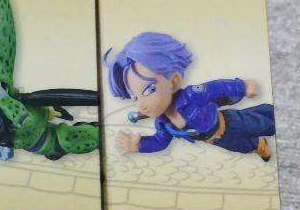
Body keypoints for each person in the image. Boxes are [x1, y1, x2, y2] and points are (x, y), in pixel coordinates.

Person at [103, 31, 274, 160]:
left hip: (229, 122)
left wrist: (242, 86)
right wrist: (139, 145)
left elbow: (217, 87)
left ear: (174, 81)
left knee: (262, 122)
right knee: (242, 146)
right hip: (215, 139)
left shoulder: (192, 95)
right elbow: (160, 142)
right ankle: (259, 145)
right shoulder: (163, 123)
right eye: (135, 97)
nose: (140, 105)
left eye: (148, 91)